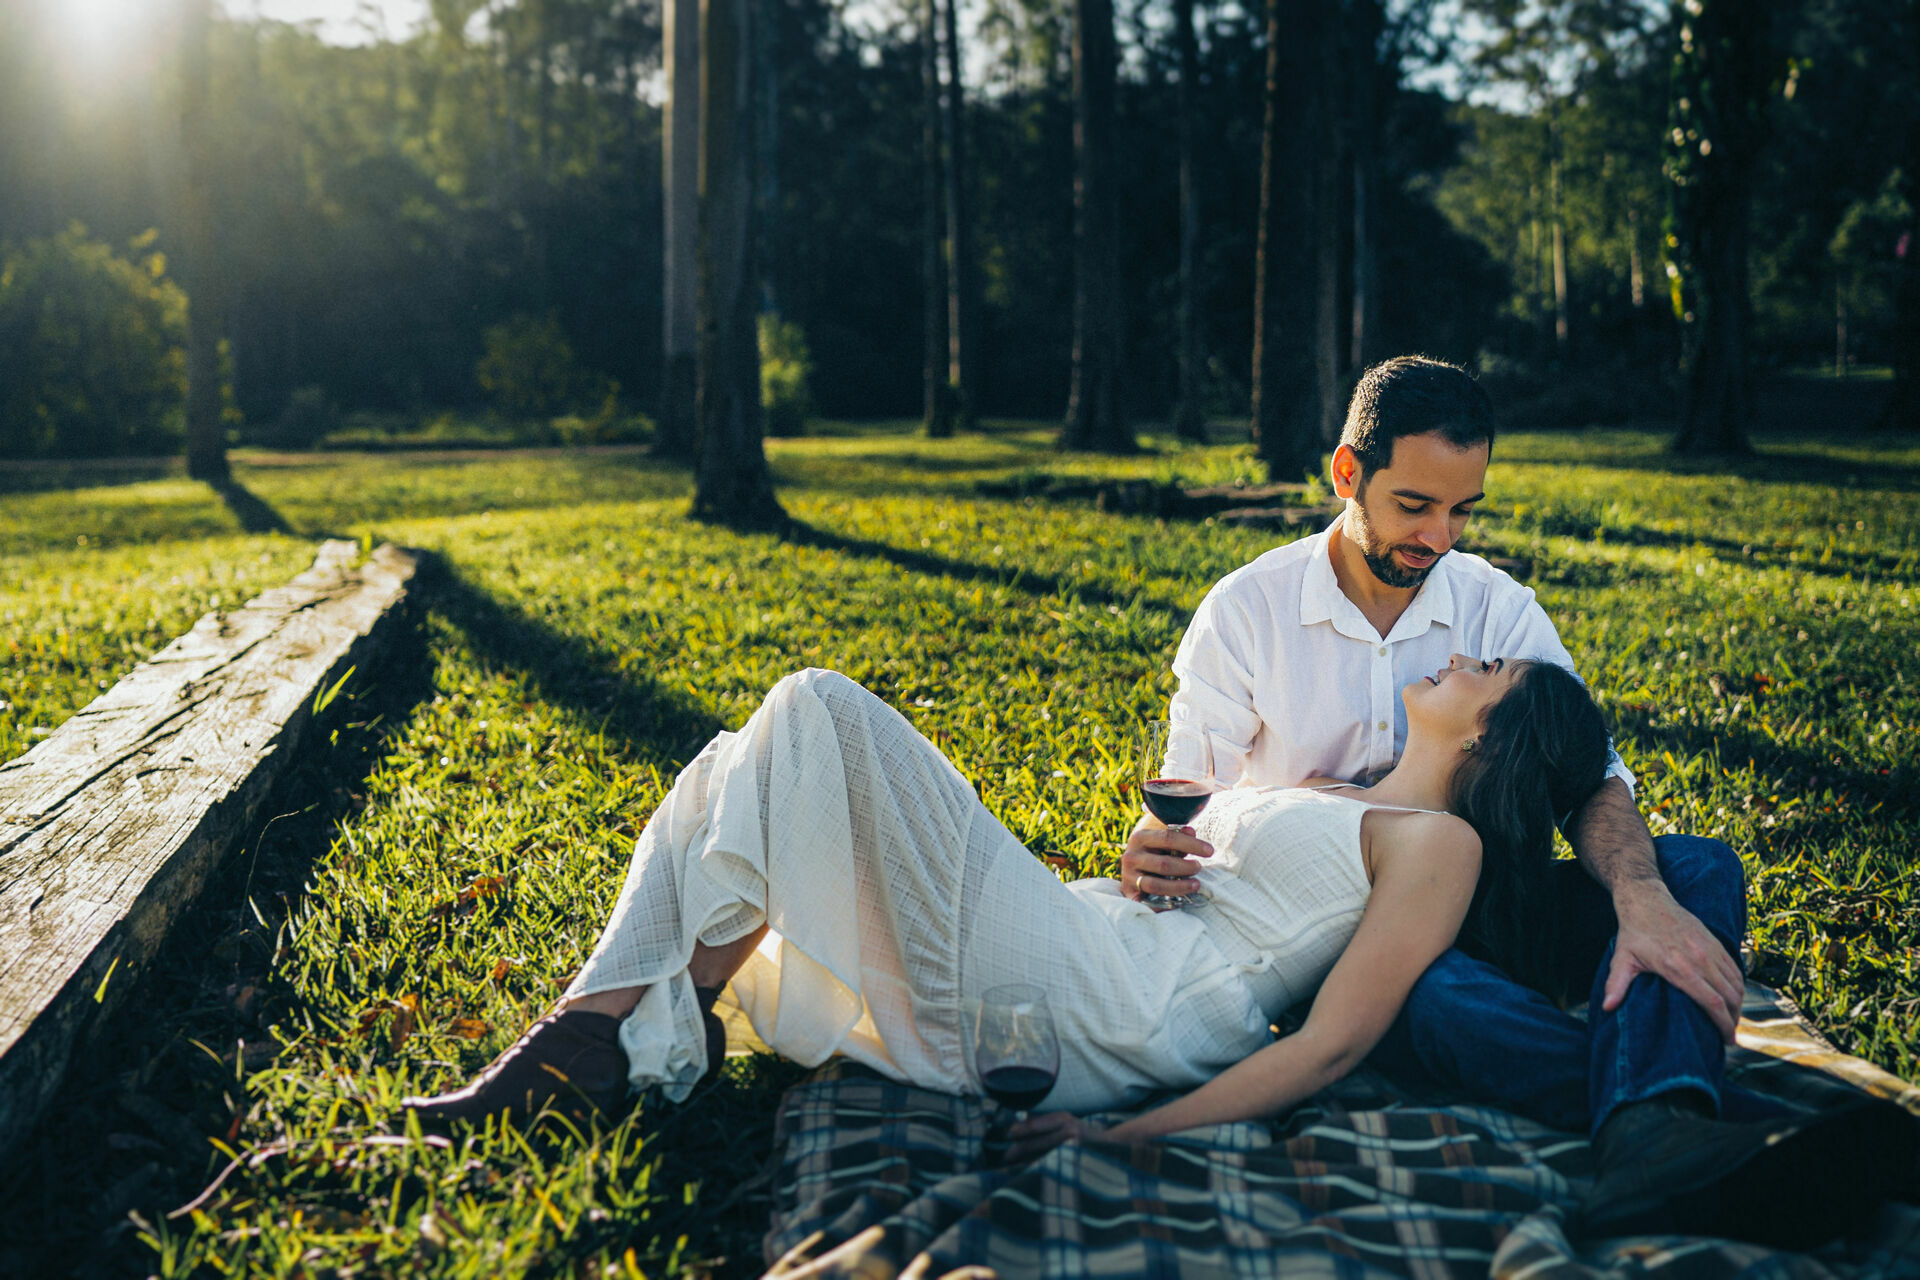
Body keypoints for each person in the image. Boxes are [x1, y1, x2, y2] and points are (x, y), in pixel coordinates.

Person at [1119, 355, 1917, 1247]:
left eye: (1463, 510)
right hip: (1366, 940)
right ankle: (1685, 1117)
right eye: (1415, 505)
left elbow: (1593, 773)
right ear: (1348, 473)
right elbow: (1188, 798)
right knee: (1437, 997)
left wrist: (1642, 898)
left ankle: (1651, 1134)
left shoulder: (1494, 605)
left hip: (1502, 902)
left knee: (1695, 866)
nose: (1440, 538)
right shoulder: (1247, 611)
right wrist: (1152, 843)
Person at [404, 658, 1610, 1165]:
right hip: (1097, 934)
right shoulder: (1340, 785)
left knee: (816, 710)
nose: (1462, 660)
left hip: (1120, 1006)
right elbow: (1226, 880)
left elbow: (1334, 1038)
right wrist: (1151, 856)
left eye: (1488, 673)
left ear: (1498, 736)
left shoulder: (1441, 844)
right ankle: (606, 1038)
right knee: (736, 761)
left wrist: (1125, 1139)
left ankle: (611, 1040)